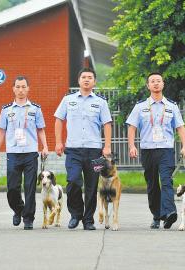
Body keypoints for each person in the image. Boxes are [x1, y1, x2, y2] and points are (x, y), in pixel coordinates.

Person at [126, 72, 185, 229]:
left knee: (166, 181)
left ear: (163, 84)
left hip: (166, 150)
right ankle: (156, 215)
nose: (155, 83)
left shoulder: (172, 106)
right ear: (148, 86)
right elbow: (132, 127)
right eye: (152, 81)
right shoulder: (140, 107)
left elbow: (180, 127)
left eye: (158, 81)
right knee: (152, 184)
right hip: (148, 150)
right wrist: (132, 146)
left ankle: (169, 213)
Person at [54, 67, 112, 230]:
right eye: (84, 77)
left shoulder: (101, 102)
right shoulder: (68, 100)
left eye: (90, 77)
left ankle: (88, 220)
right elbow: (58, 120)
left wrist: (107, 146)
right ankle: (75, 214)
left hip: (95, 151)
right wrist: (59, 142)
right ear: (79, 81)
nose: (86, 80)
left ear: (94, 82)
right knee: (73, 181)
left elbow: (107, 124)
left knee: (92, 186)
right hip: (73, 149)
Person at [0, 76, 48, 230]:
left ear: (28, 88)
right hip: (13, 153)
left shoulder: (35, 109)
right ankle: (18, 209)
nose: (21, 90)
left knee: (30, 187)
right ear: (13, 88)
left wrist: (45, 146)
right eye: (18, 87)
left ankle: (28, 218)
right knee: (12, 188)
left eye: (24, 87)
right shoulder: (6, 110)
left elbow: (40, 129)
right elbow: (1, 132)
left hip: (30, 153)